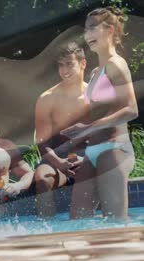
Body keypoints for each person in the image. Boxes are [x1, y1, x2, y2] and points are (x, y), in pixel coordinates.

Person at [61, 7, 138, 219]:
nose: (87, 34)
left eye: (93, 28)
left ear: (110, 30)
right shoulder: (96, 71)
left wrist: (87, 129)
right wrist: (82, 136)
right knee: (77, 220)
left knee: (116, 221)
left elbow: (131, 110)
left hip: (114, 150)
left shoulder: (116, 64)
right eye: (86, 29)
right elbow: (99, 112)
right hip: (92, 152)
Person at [34, 42, 89, 217]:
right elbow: (42, 144)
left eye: (69, 64)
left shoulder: (94, 95)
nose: (64, 70)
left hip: (88, 157)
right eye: (61, 65)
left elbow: (107, 134)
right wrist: (59, 163)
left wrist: (87, 158)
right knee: (43, 179)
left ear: (83, 64)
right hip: (56, 159)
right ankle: (46, 231)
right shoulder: (47, 99)